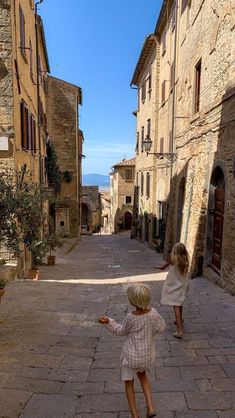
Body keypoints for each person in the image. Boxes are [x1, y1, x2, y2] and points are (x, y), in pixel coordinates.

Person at [98, 284, 166, 418]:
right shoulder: (154, 314)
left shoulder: (131, 317)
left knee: (128, 382)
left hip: (131, 357)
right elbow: (161, 328)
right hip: (146, 356)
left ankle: (135, 415)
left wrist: (108, 322)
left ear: (132, 301)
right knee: (143, 376)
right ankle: (150, 407)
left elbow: (121, 331)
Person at [160, 243, 189, 339]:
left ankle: (179, 331)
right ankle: (180, 319)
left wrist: (157, 267)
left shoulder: (173, 259)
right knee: (179, 302)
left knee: (175, 305)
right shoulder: (185, 260)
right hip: (183, 285)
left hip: (174, 286)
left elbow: (163, 267)